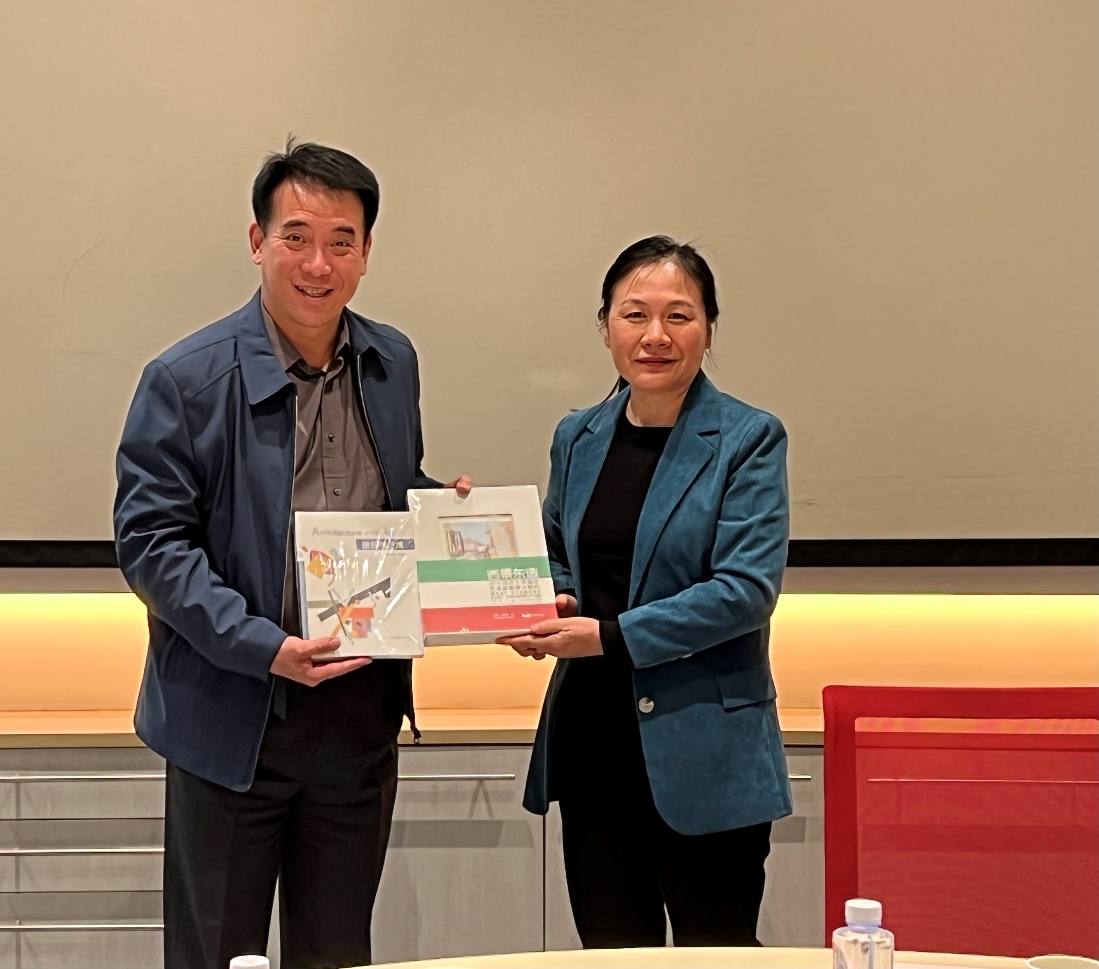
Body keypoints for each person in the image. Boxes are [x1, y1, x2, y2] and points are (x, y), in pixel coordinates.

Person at [113, 139, 470, 969]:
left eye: (341, 241)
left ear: (366, 251)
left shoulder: (391, 361)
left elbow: (380, 497)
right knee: (218, 955)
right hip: (234, 715)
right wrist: (263, 646)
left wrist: (445, 518)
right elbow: (153, 546)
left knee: (337, 953)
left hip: (357, 713)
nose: (318, 264)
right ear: (257, 240)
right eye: (296, 237)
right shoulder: (184, 379)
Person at [500, 236, 791, 948]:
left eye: (678, 316)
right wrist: (554, 602)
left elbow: (744, 590)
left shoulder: (749, 439)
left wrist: (607, 636)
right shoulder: (577, 437)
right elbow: (558, 553)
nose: (655, 335)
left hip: (706, 750)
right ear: (605, 327)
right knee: (609, 956)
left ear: (708, 329)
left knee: (716, 958)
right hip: (594, 746)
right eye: (634, 314)